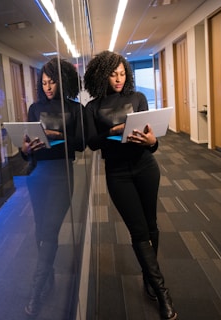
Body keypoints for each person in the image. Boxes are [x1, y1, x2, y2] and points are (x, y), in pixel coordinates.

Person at [83, 50, 177, 320]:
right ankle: (162, 292)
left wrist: (153, 142)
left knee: (151, 225)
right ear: (102, 75)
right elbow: (92, 142)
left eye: (123, 74)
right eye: (113, 74)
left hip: (146, 167)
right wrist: (112, 131)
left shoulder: (138, 98)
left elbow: (152, 138)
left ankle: (149, 277)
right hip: (118, 174)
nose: (119, 79)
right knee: (138, 231)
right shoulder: (93, 107)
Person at [19, 57, 84, 317]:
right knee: (41, 231)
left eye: (52, 81)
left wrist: (58, 136)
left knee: (49, 229)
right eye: (44, 82)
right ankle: (48, 277)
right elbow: (28, 151)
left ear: (63, 80)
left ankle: (36, 290)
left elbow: (80, 144)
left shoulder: (75, 108)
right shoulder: (35, 108)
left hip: (62, 175)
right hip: (38, 175)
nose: (47, 87)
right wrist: (25, 150)